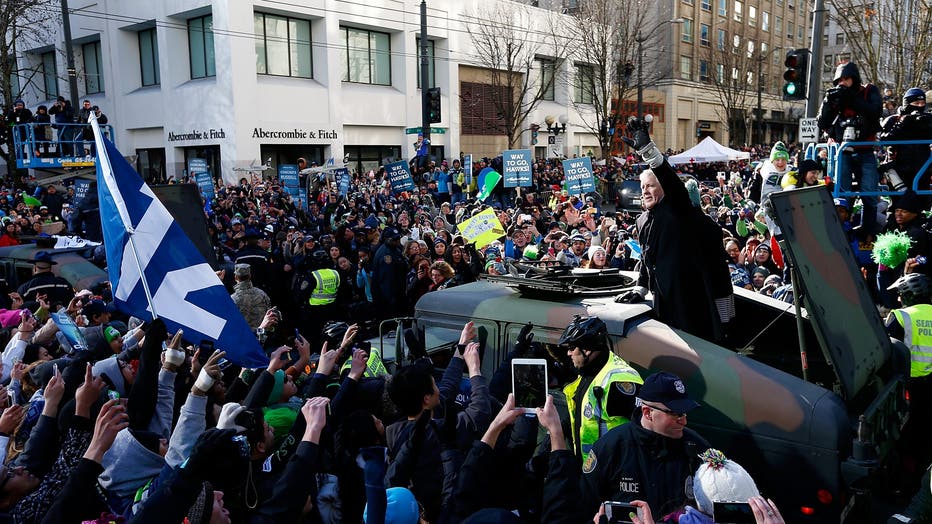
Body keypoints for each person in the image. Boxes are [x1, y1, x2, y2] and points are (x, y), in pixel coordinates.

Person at [619, 117, 730, 340]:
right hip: (661, 305)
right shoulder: (641, 221)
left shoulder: (678, 210)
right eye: (642, 187)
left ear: (664, 188)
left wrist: (649, 152)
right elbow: (647, 260)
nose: (645, 191)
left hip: (689, 305)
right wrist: (640, 288)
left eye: (650, 186)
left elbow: (672, 183)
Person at [579, 371, 709, 519]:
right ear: (647, 413)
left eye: (685, 413)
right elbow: (585, 508)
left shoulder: (698, 448)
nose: (684, 421)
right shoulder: (611, 448)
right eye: (676, 414)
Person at [559, 315, 642, 461]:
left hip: (612, 474)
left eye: (572, 348)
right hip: (590, 471)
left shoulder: (619, 381)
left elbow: (643, 433)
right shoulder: (588, 372)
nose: (568, 353)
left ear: (587, 349)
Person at [817, 61, 883, 233]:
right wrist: (828, 102)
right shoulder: (835, 96)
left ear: (854, 79)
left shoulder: (869, 90)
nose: (843, 83)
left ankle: (867, 229)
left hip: (865, 149)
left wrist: (852, 100)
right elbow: (822, 122)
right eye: (840, 80)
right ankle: (842, 228)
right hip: (841, 150)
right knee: (842, 193)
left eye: (846, 79)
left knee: (869, 192)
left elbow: (875, 112)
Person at [879, 87, 932, 195]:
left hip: (923, 167)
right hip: (897, 168)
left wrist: (928, 124)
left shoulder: (927, 119)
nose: (920, 106)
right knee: (898, 205)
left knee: (922, 202)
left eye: (922, 103)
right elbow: (884, 140)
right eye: (916, 103)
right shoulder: (893, 120)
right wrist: (902, 124)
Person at [230, 264, 271, 329]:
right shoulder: (262, 294)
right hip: (261, 335)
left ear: (236, 277)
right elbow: (269, 314)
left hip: (243, 336)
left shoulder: (232, 299)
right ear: (250, 276)